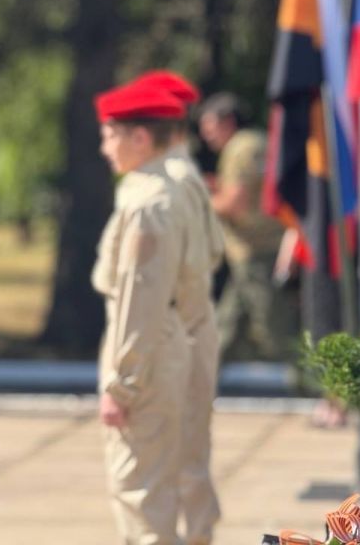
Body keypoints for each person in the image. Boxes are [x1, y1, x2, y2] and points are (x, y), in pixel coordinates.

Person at [91, 82, 191, 545]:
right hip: (157, 347)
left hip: (144, 359)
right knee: (148, 492)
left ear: (140, 139)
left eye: (110, 135)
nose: (103, 147)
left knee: (141, 498)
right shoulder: (152, 191)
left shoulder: (148, 205)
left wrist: (122, 385)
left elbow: (139, 301)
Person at [134, 70, 224, 545]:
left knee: (167, 464)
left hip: (174, 328)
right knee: (188, 458)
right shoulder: (185, 174)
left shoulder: (165, 182)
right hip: (192, 323)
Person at [198, 92, 289, 362]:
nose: (206, 135)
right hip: (258, 246)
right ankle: (198, 379)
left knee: (274, 324)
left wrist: (198, 201)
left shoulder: (239, 149)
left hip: (257, 248)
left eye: (209, 126)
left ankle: (310, 381)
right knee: (226, 323)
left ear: (227, 121)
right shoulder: (255, 142)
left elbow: (234, 204)